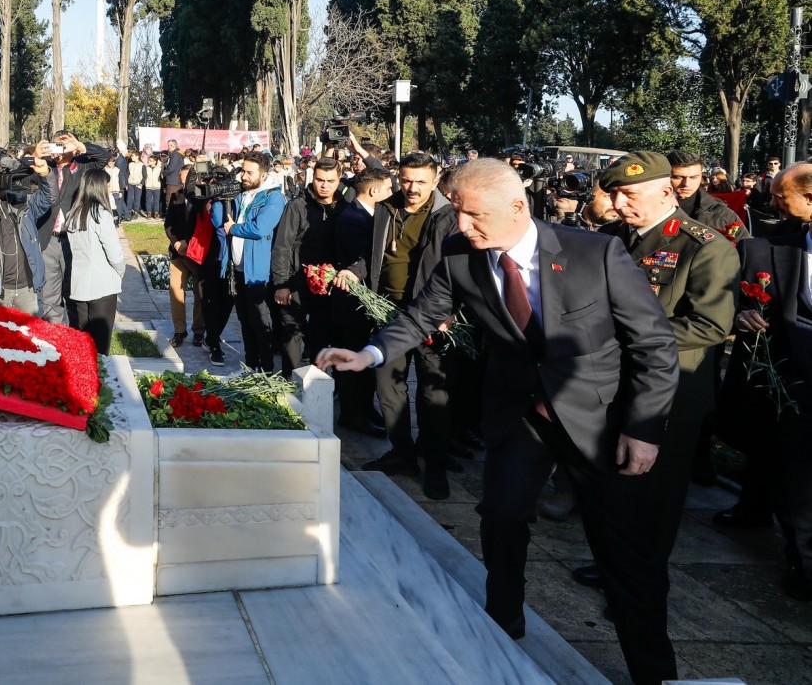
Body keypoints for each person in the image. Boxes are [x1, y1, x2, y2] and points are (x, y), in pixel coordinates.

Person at [316, 158, 681, 685]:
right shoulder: (462, 254)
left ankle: (655, 673)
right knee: (502, 518)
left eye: (473, 216)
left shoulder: (595, 253)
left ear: (517, 205)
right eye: (458, 214)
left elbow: (653, 345)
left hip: (599, 423)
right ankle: (502, 624)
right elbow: (421, 315)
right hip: (519, 417)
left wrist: (644, 429)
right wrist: (369, 355)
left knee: (625, 556)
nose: (462, 227)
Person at [559, 152, 738, 594]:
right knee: (615, 488)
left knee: (656, 497)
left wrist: (620, 336)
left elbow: (711, 325)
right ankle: (615, 565)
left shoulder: (705, 247)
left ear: (666, 190)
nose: (619, 204)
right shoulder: (608, 238)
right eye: (614, 194)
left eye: (630, 194)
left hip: (671, 392)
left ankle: (641, 582)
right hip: (609, 383)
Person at [716, 162, 812, 601]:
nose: (771, 203)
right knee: (795, 466)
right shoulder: (771, 248)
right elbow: (733, 291)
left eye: (780, 196)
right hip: (790, 376)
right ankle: (803, 559)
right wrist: (741, 312)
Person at [339, 152, 459, 499]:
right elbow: (373, 254)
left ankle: (434, 461)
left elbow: (459, 267)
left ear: (435, 181)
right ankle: (402, 453)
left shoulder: (447, 215)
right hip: (386, 310)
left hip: (431, 314)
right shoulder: (385, 209)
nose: (412, 188)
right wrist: (355, 270)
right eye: (406, 180)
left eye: (421, 181)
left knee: (432, 390)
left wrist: (451, 311)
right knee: (388, 386)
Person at [209, 153, 285, 371]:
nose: (243, 176)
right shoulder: (242, 194)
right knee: (244, 319)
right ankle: (250, 365)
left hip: (258, 272)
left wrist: (234, 229)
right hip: (238, 268)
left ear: (264, 174)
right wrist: (220, 196)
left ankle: (267, 369)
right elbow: (218, 221)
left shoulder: (273, 198)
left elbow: (260, 228)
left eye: (249, 172)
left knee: (260, 322)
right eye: (243, 170)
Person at [271, 158, 346, 375]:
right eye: (320, 180)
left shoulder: (344, 208)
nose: (324, 185)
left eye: (330, 181)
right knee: (291, 334)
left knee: (321, 335)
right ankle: (288, 383)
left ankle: (317, 384)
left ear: (338, 180)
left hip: (329, 283)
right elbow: (282, 246)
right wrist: (281, 284)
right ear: (312, 179)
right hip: (296, 281)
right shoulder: (297, 206)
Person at [332, 167, 393, 434]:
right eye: (388, 189)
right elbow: (366, 259)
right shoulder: (353, 218)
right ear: (374, 191)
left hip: (361, 301)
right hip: (351, 302)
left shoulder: (366, 214)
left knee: (364, 358)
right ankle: (353, 414)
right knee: (353, 357)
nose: (391, 194)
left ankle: (365, 409)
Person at [34, 132, 110, 325]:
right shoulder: (43, 167)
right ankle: (54, 337)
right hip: (47, 237)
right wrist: (35, 155)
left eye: (63, 145)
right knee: (49, 294)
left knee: (73, 292)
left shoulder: (83, 166)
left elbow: (104, 156)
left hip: (73, 238)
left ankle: (75, 338)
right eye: (55, 145)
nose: (59, 151)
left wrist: (80, 146)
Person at [0, 151, 53, 315]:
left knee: (29, 338)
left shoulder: (24, 206)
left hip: (26, 288)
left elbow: (47, 199)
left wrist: (45, 175)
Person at [65, 167, 124, 354]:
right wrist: (120, 272)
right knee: (100, 345)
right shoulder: (100, 214)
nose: (108, 190)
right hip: (102, 285)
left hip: (80, 283)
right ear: (99, 187)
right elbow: (115, 253)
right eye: (106, 186)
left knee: (83, 342)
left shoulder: (74, 213)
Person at [668, 151, 746, 242]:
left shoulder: (722, 214)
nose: (686, 184)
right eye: (678, 177)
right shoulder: (650, 210)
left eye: (694, 177)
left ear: (701, 175)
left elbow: (747, 249)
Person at [164, 187, 208, 349]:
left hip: (196, 254)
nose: (184, 183)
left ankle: (198, 331)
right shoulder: (177, 196)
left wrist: (188, 243)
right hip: (178, 253)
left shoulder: (203, 196)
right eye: (182, 179)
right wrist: (176, 242)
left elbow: (203, 225)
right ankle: (179, 331)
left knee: (199, 292)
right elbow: (168, 223)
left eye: (187, 179)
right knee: (175, 289)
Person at [160, 139, 185, 214]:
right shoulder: (175, 154)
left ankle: (170, 215)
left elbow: (171, 167)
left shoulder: (175, 155)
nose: (168, 147)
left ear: (172, 146)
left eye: (169, 146)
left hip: (173, 180)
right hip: (175, 180)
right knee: (174, 198)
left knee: (170, 198)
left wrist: (163, 173)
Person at [141, 153, 162, 218]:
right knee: (148, 200)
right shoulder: (146, 168)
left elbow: (161, 177)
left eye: (150, 160)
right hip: (148, 186)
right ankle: (149, 212)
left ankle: (156, 212)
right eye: (148, 160)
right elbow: (144, 176)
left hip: (157, 186)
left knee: (156, 200)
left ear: (155, 161)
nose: (149, 162)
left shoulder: (159, 169)